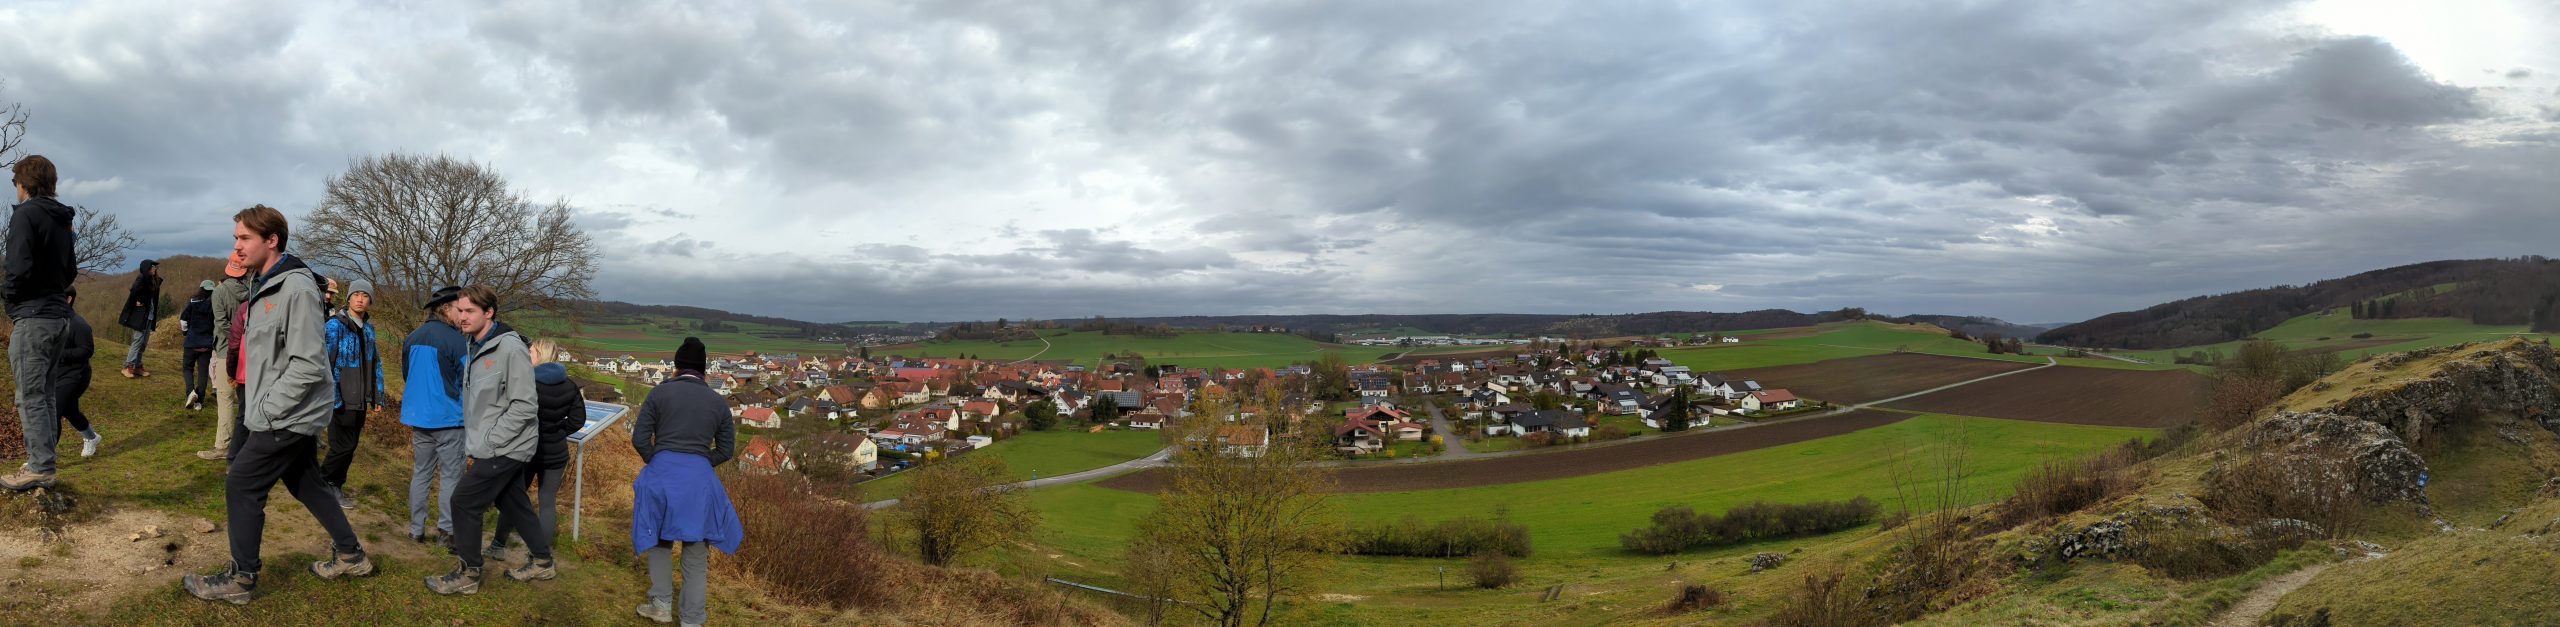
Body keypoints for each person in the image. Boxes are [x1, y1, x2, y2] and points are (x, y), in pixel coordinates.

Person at [183, 205, 373, 604]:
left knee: (242, 482)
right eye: (236, 238)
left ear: (272, 240)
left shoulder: (296, 288)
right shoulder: (263, 282)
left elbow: (307, 363)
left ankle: (243, 578)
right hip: (271, 406)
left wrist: (266, 409)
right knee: (307, 483)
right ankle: (351, 554)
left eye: (244, 238)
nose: (236, 247)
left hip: (286, 412)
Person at [426, 285, 553, 594]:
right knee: (513, 501)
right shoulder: (474, 344)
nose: (461, 316)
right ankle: (542, 562)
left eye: (469, 311)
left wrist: (491, 441)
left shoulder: (509, 349)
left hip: (506, 446)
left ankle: (469, 574)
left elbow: (524, 404)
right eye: (459, 310)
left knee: (464, 501)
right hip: (492, 442)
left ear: (489, 313)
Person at [628, 337, 741, 625]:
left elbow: (640, 438)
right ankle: (692, 620)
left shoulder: (658, 395)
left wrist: (659, 460)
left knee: (659, 540)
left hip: (661, 477)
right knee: (695, 553)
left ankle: (661, 605)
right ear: (704, 371)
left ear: (677, 367)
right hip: (699, 484)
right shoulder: (718, 403)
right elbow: (726, 451)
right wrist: (699, 463)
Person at [4, 155, 79, 492]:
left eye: (16, 183)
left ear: (24, 183)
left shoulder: (26, 215)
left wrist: (9, 299)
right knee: (45, 395)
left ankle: (40, 467)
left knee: (30, 396)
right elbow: (71, 271)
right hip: (59, 316)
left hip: (33, 317)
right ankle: (43, 459)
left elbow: (17, 269)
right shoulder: (62, 219)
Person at [489, 338, 581, 558]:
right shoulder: (570, 385)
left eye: (530, 351)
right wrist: (558, 432)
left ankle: (498, 545)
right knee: (547, 503)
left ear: (540, 355)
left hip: (525, 450)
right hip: (556, 453)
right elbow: (578, 420)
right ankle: (540, 555)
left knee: (515, 497)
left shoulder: (526, 382)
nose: (526, 354)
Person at [401, 285, 470, 545]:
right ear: (446, 309)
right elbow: (467, 381)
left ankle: (416, 530)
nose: (461, 315)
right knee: (451, 476)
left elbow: (407, 375)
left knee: (421, 474)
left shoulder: (413, 336)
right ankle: (447, 532)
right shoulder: (457, 340)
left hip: (419, 418)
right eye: (458, 309)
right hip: (449, 418)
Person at [319, 279, 383, 510]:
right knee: (342, 446)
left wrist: (377, 396)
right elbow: (325, 362)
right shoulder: (335, 325)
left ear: (370, 301)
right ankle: (325, 482)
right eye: (355, 294)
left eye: (365, 295)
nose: (360, 299)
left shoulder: (369, 329)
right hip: (341, 395)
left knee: (351, 444)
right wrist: (332, 397)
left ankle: (334, 484)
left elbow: (375, 362)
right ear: (348, 298)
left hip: (360, 397)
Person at [196, 253, 250, 461]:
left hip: (226, 350)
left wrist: (235, 342)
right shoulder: (254, 291)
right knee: (248, 400)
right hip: (251, 351)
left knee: (225, 397)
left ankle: (223, 446)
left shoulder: (219, 292)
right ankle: (250, 445)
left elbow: (221, 322)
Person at [53, 287, 101, 457]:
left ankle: (44, 457)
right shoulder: (53, 321)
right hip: (56, 375)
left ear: (68, 299)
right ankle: (91, 437)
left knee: (53, 411)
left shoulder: (79, 325)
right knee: (69, 410)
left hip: (76, 375)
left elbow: (87, 350)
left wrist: (61, 354)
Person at [117, 258, 163, 378]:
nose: (155, 268)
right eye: (153, 266)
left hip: (149, 316)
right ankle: (128, 367)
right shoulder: (142, 277)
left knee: (143, 343)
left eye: (155, 267)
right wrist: (140, 300)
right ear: (147, 267)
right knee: (137, 341)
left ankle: (137, 366)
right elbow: (134, 290)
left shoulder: (152, 280)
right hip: (140, 316)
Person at [181, 281, 216, 410]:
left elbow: (184, 320)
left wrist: (185, 332)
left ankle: (191, 392)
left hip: (191, 342)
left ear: (200, 289)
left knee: (187, 368)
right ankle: (199, 402)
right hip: (206, 344)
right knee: (203, 373)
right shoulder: (214, 305)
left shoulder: (192, 302)